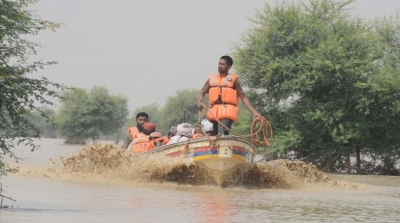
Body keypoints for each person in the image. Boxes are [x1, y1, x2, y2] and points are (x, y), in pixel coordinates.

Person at [197, 55, 260, 136]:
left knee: (222, 132)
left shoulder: (233, 80)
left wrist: (255, 113)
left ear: (229, 67)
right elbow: (202, 92)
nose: (219, 66)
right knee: (214, 135)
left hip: (227, 111)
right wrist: (199, 102)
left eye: (222, 64)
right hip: (214, 111)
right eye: (219, 63)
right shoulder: (212, 79)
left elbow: (243, 96)